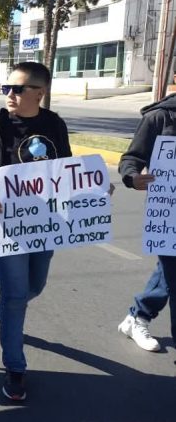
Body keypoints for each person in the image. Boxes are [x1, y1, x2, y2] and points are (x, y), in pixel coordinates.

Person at [0, 62, 71, 401]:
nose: (9, 94)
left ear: (40, 93)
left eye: (17, 89)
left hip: (42, 226)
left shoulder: (53, 124)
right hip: (1, 229)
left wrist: (90, 188)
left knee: (33, 287)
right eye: (6, 88)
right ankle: (15, 368)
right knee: (15, 296)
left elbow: (65, 167)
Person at [117, 91, 176, 353]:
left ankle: (137, 316)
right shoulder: (159, 118)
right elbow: (131, 159)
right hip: (170, 214)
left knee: (169, 270)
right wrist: (132, 177)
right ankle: (139, 317)